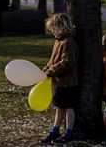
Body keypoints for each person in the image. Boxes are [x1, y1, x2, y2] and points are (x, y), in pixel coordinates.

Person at [40, 13, 79, 144]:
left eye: (54, 29)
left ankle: (69, 132)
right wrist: (45, 69)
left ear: (62, 27)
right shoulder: (58, 42)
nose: (53, 32)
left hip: (67, 82)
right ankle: (55, 130)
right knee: (59, 106)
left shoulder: (68, 42)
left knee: (68, 107)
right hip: (58, 82)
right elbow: (53, 61)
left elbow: (66, 62)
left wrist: (51, 71)